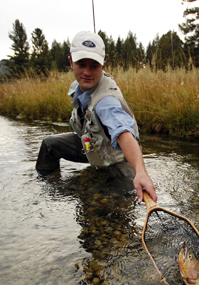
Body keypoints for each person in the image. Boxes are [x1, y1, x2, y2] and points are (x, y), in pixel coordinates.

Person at [36, 30, 157, 203]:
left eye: (94, 66)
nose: (87, 72)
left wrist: (141, 172)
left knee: (119, 202)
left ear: (103, 65)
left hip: (118, 162)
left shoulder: (106, 101)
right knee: (50, 145)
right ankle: (45, 187)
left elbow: (123, 133)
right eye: (81, 64)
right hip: (92, 147)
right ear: (71, 62)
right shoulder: (79, 87)